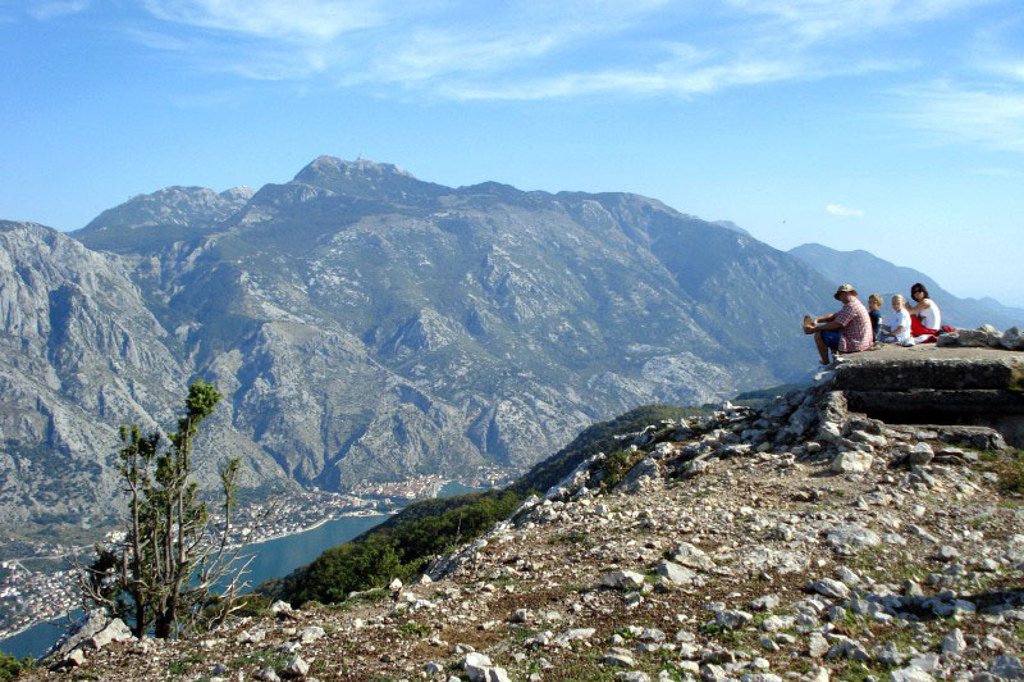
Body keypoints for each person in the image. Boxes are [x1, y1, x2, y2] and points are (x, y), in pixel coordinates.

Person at [803, 284, 874, 365]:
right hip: (862, 340)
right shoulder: (854, 304)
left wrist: (815, 329)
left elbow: (837, 324)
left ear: (850, 293)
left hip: (856, 343)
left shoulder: (851, 307)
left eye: (844, 293)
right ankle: (835, 358)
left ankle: (825, 362)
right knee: (831, 331)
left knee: (819, 335)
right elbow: (835, 315)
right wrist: (818, 320)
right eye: (841, 294)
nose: (842, 296)